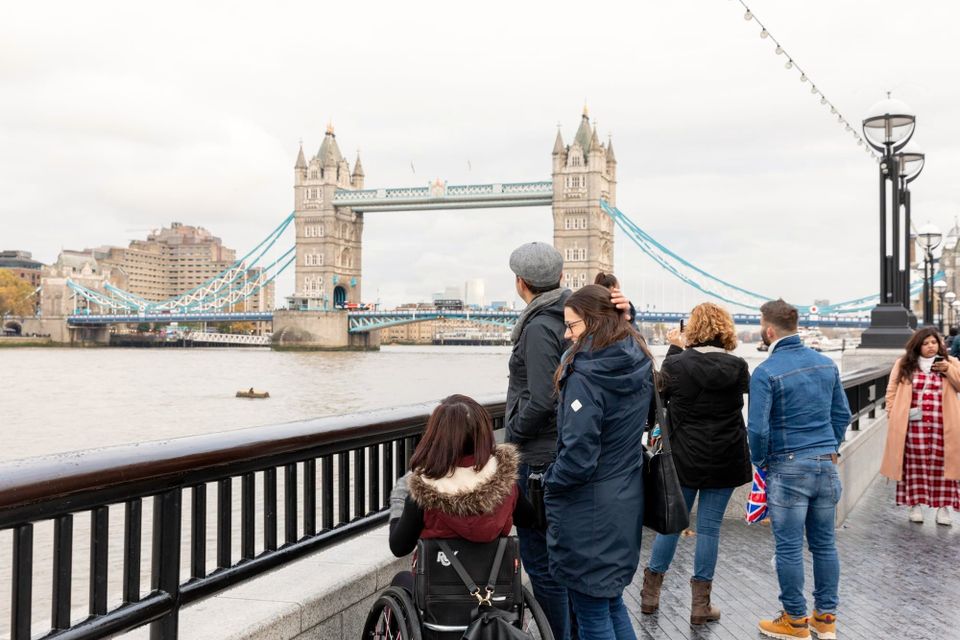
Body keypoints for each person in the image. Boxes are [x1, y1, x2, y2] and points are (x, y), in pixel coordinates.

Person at [543, 284, 653, 640]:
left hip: (588, 511)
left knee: (592, 614)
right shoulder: (638, 358)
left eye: (571, 325)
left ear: (591, 322)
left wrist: (550, 481)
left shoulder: (586, 375)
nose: (566, 334)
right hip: (624, 500)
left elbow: (578, 457)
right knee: (610, 603)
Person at [640, 302, 751, 625]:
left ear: (693, 329)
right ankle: (700, 605)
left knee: (673, 523)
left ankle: (650, 594)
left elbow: (658, 397)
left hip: (685, 456)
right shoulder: (739, 367)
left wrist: (675, 350)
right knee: (710, 529)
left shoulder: (678, 365)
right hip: (726, 455)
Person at [748, 299, 851, 640]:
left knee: (789, 548)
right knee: (825, 546)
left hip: (788, 468)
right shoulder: (826, 364)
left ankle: (794, 621)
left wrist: (761, 461)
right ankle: (826, 619)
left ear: (769, 330)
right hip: (825, 465)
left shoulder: (765, 372)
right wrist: (829, 448)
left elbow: (758, 430)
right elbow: (842, 415)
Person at [504, 241, 572, 640]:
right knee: (557, 562)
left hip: (537, 460)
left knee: (542, 564)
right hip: (553, 453)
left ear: (521, 283)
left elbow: (544, 397)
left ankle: (554, 636)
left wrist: (513, 433)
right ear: (560, 278)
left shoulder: (539, 325)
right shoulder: (565, 316)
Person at [388, 395, 536, 570]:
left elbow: (399, 547)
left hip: (438, 589)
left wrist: (400, 497)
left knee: (401, 580)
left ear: (436, 437)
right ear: (483, 434)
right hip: (493, 589)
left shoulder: (424, 491)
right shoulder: (506, 484)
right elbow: (529, 520)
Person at [881, 327, 960, 526]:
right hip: (913, 427)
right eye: (925, 343)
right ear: (918, 346)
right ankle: (914, 504)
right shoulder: (904, 364)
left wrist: (948, 370)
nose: (930, 346)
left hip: (943, 425)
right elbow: (891, 391)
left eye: (934, 342)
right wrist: (893, 413)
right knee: (914, 465)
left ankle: (943, 509)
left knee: (943, 467)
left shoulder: (951, 362)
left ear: (940, 344)